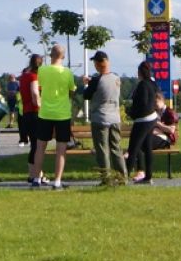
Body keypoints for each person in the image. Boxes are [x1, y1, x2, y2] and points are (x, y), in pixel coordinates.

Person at [32, 44, 75, 189]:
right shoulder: (67, 72)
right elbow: (72, 91)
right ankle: (57, 181)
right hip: (62, 114)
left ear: (51, 55)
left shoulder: (42, 70)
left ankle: (37, 178)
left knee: (40, 147)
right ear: (63, 56)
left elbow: (41, 87)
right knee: (61, 149)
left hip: (45, 112)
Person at [85, 51, 126, 183]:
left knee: (102, 150)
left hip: (100, 118)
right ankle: (122, 177)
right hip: (115, 118)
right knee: (116, 149)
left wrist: (87, 83)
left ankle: (106, 179)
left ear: (97, 64)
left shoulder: (96, 80)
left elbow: (87, 95)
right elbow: (106, 86)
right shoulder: (116, 78)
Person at [127, 60, 161, 184]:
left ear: (140, 72)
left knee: (133, 149)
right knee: (147, 148)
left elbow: (142, 104)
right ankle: (148, 177)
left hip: (142, 120)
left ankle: (123, 177)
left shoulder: (142, 85)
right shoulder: (153, 84)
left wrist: (131, 113)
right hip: (152, 118)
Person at [16, 54, 43, 182]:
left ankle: (34, 173)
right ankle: (34, 175)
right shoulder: (33, 76)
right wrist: (39, 104)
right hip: (34, 112)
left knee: (34, 144)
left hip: (26, 112)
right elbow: (34, 93)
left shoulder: (23, 77)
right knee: (37, 146)